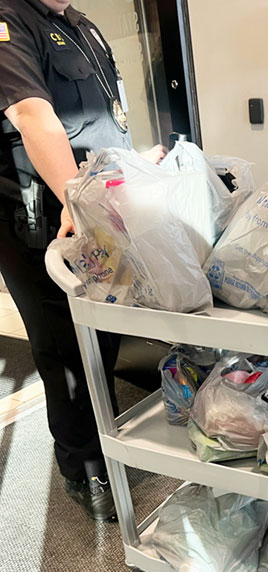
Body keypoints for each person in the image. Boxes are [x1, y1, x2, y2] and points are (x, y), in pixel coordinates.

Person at [0, 0, 165, 521]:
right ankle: (81, 464)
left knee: (103, 330)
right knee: (62, 345)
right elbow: (31, 114)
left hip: (99, 206)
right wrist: (75, 194)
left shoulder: (80, 25)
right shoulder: (10, 19)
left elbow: (102, 121)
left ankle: (106, 435)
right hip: (44, 212)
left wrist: (133, 165)